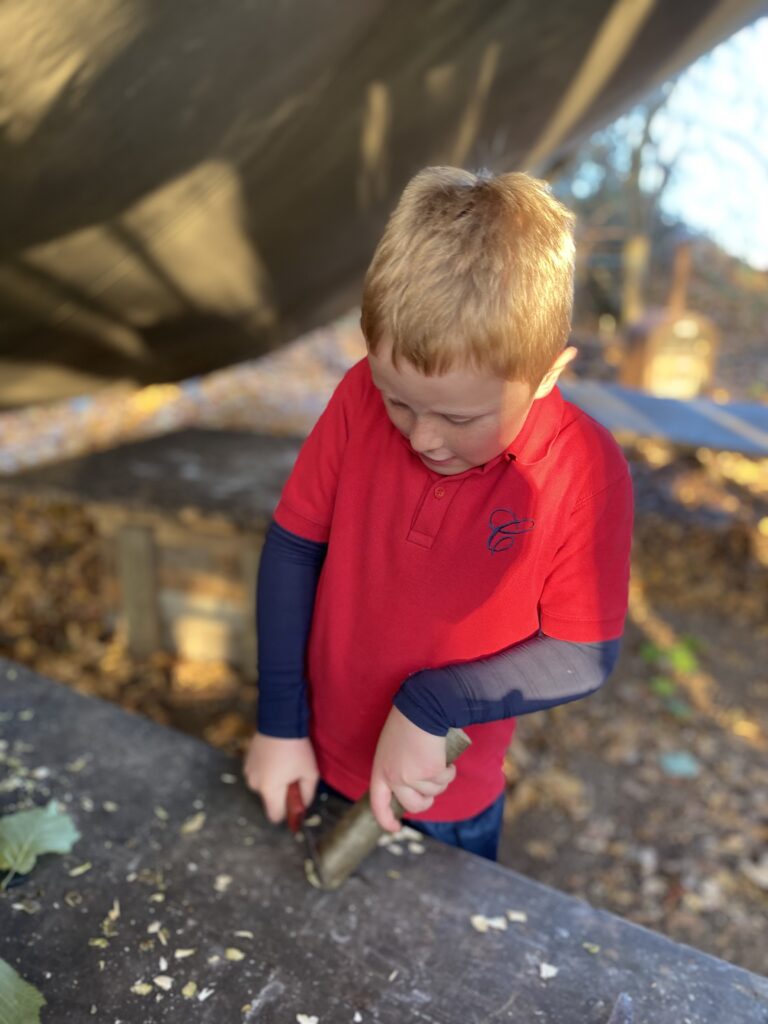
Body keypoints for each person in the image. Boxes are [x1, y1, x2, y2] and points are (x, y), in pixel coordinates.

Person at [243, 167, 633, 861]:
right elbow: (294, 548)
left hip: (449, 804)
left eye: (460, 416)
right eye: (399, 401)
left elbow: (583, 651)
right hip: (315, 759)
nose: (422, 437)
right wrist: (279, 722)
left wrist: (437, 702)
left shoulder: (584, 470)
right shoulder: (358, 396)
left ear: (548, 374)